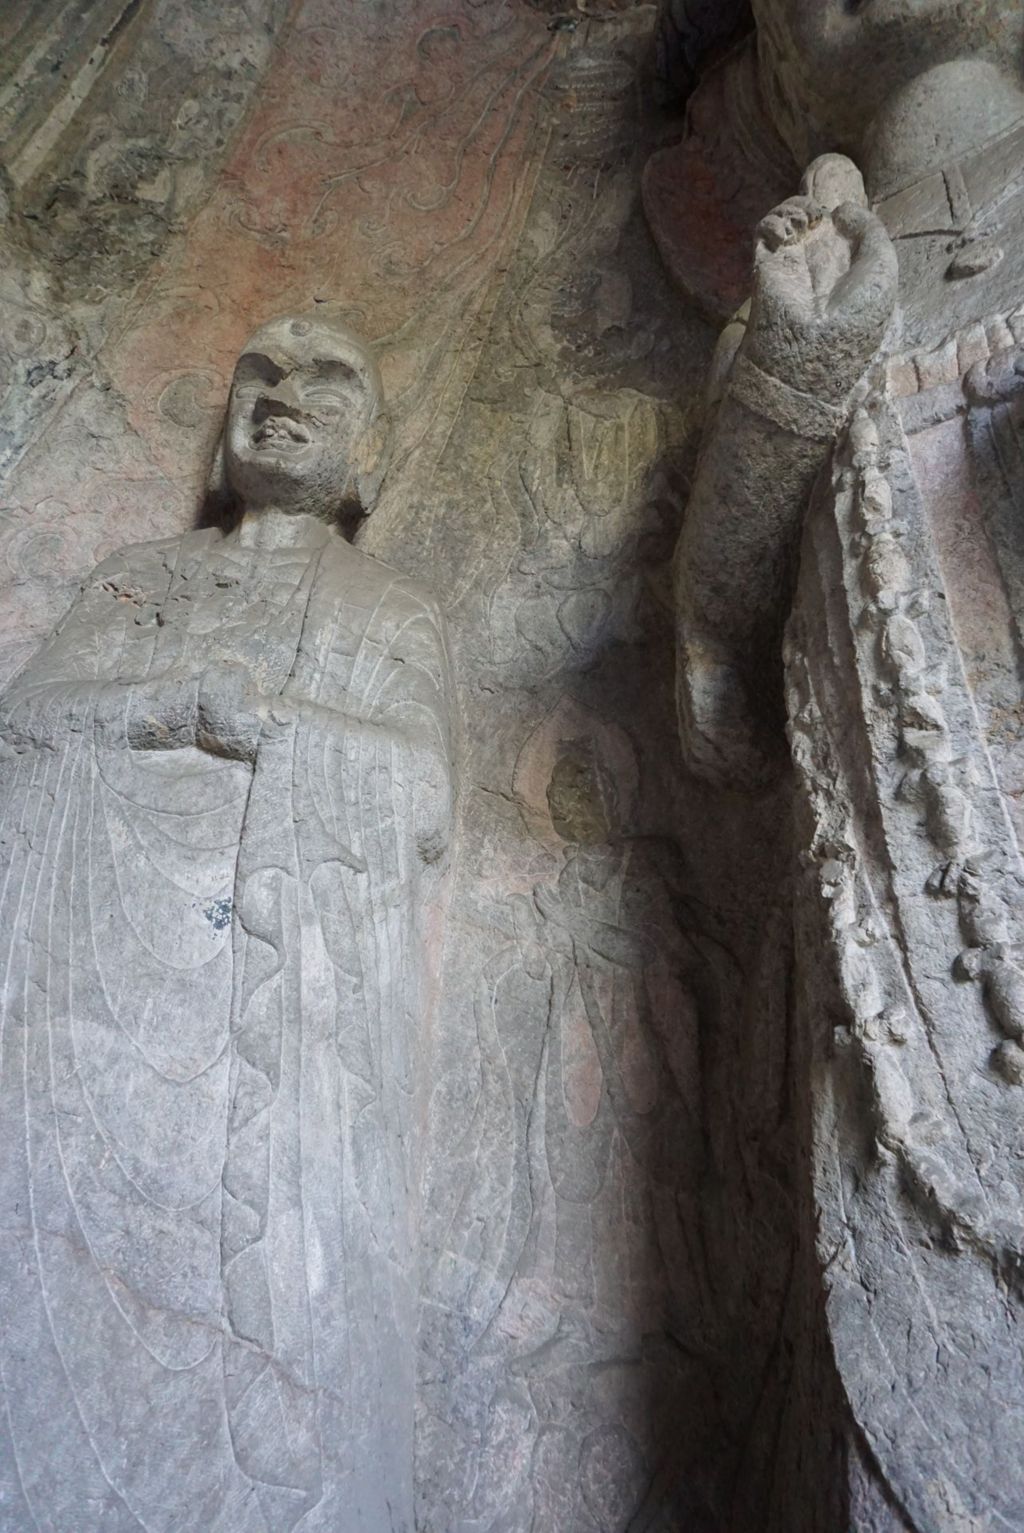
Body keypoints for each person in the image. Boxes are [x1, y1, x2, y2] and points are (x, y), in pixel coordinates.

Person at [0, 314, 452, 1531]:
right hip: (90, 1019)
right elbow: (21, 733)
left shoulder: (389, 611)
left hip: (285, 1024)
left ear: (372, 456)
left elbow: (422, 796)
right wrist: (169, 704)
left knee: (276, 1358)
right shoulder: (133, 582)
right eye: (260, 371)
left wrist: (275, 727)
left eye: (326, 379)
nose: (283, 391)